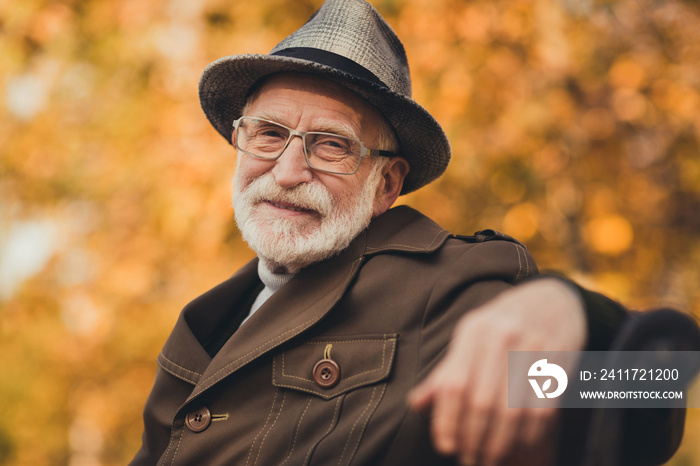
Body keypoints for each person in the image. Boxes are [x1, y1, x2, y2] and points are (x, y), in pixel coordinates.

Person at [130, 1, 688, 465]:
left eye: (331, 145)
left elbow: (650, 389)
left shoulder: (449, 288)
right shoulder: (209, 321)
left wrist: (574, 313)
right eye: (269, 134)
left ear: (386, 184)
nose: (288, 171)